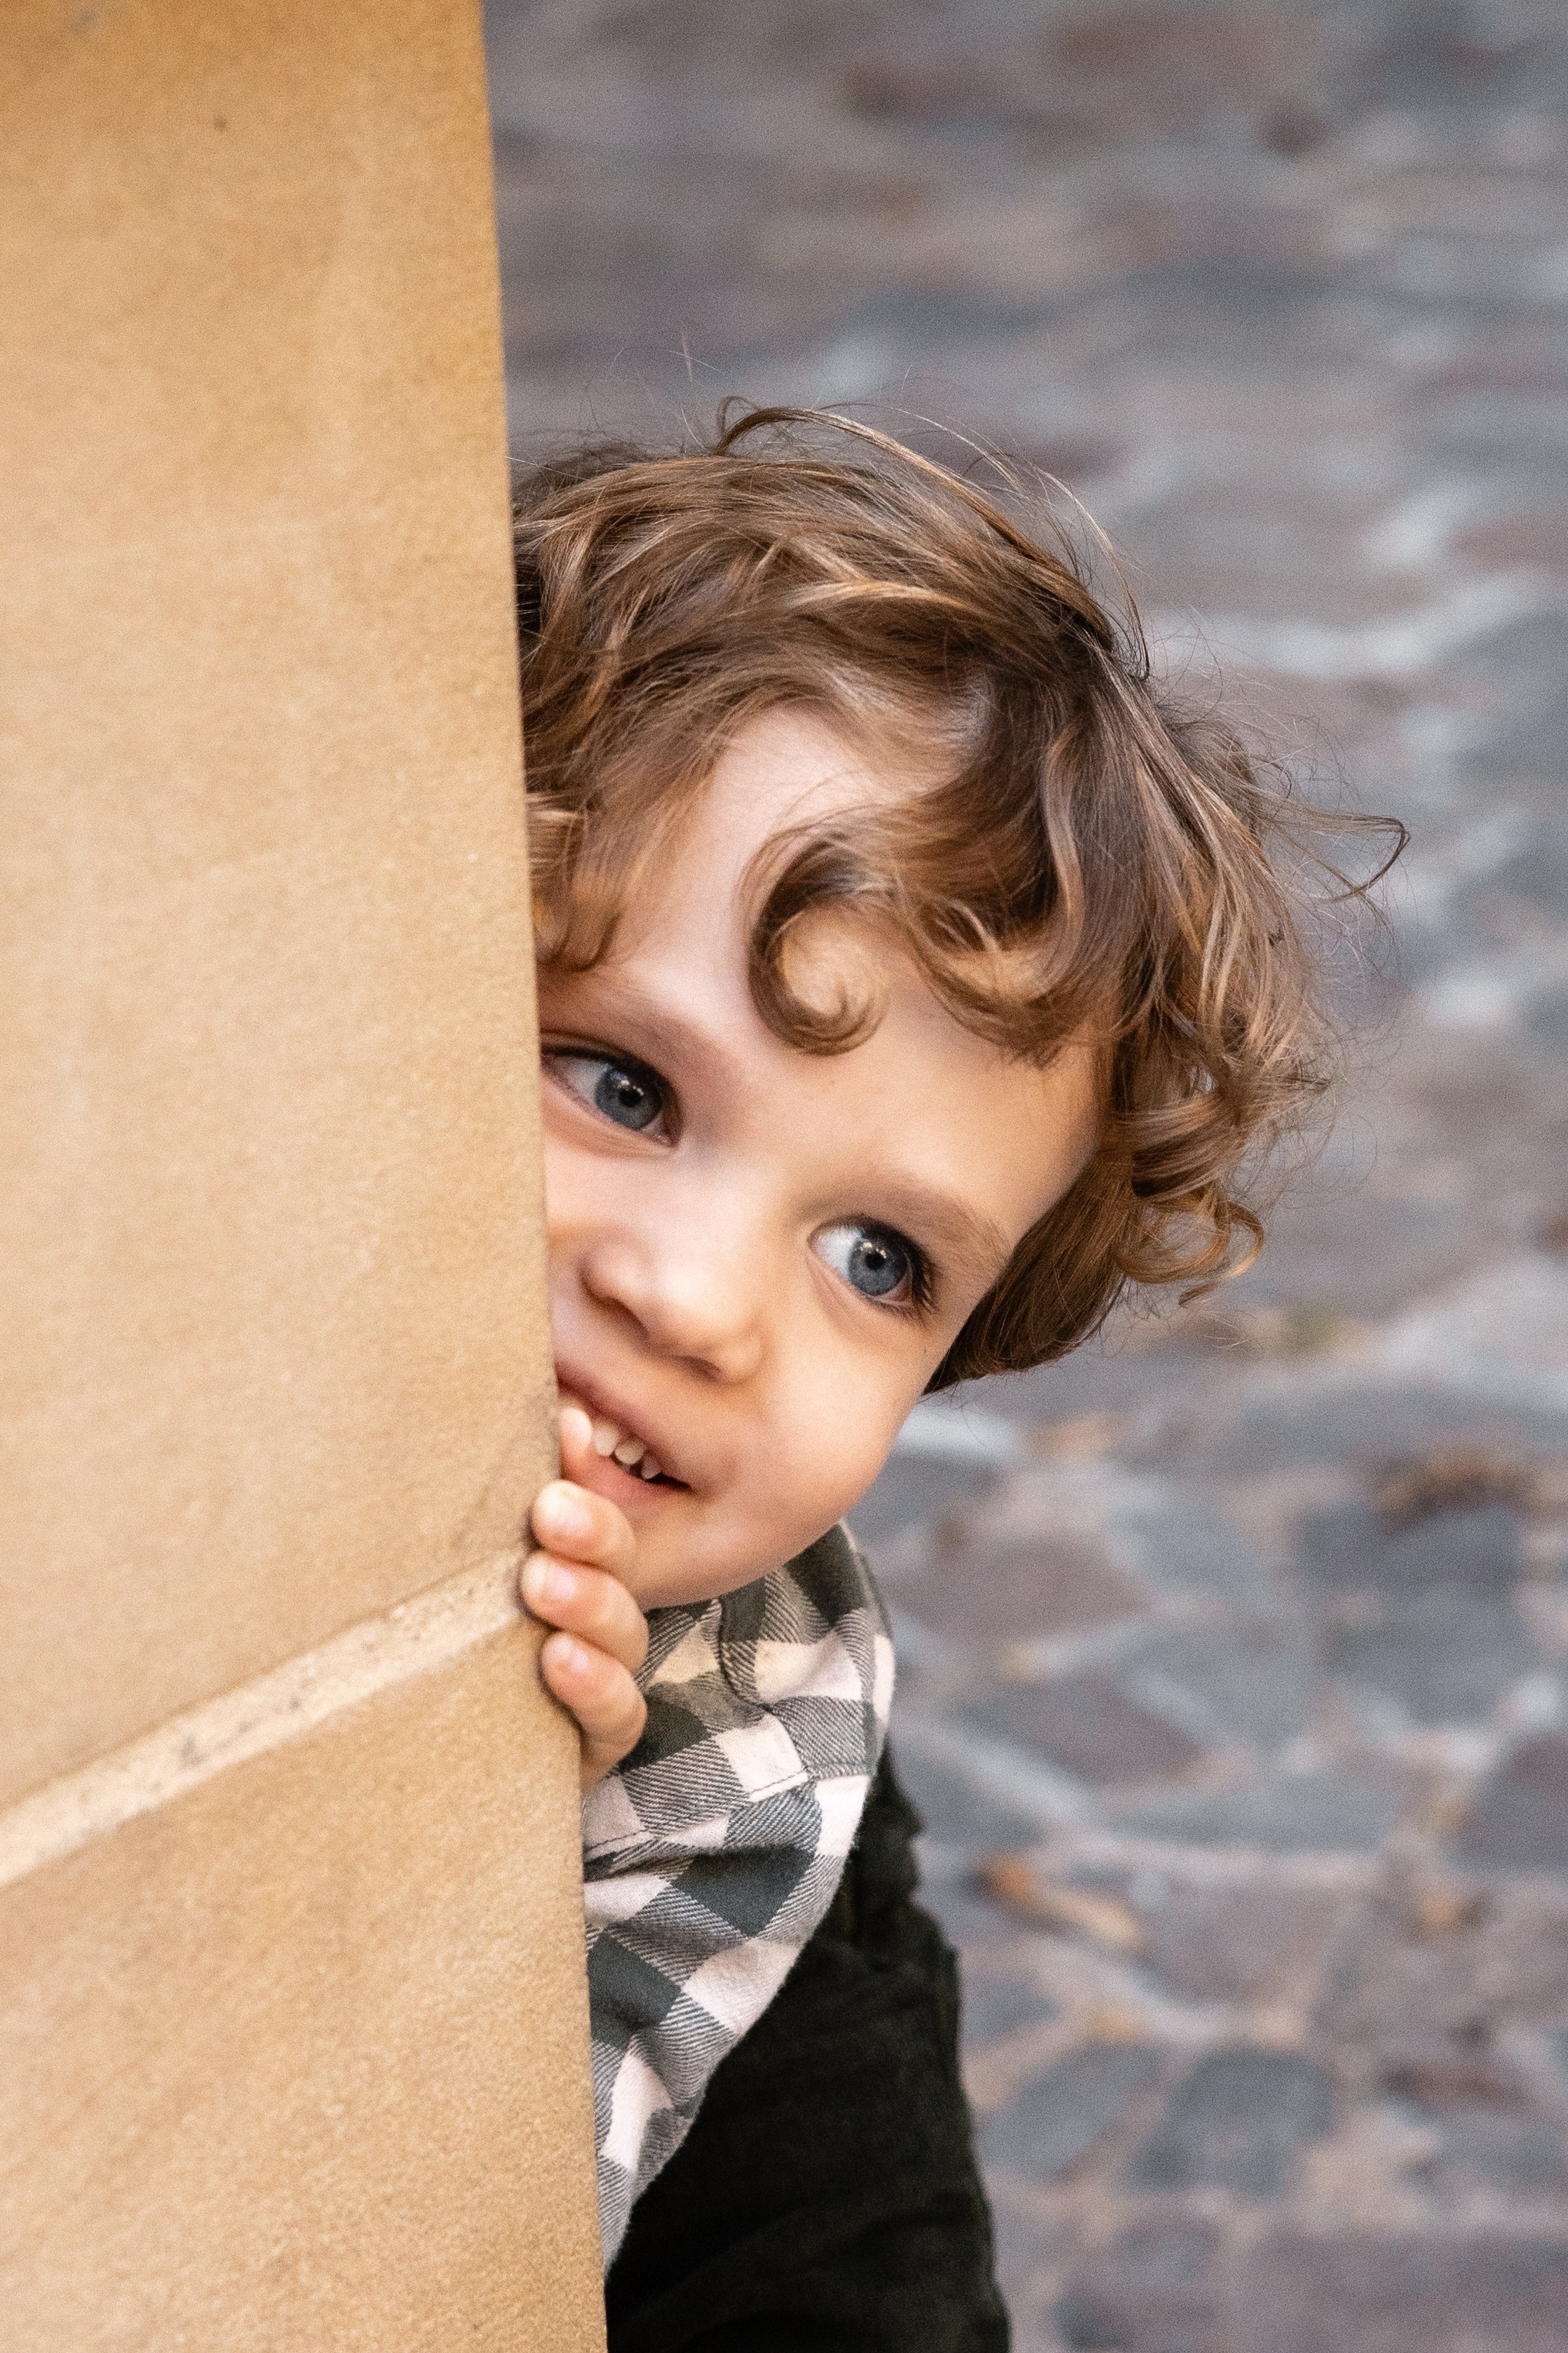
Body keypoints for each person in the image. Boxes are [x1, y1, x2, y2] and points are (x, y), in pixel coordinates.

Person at [507, 408, 1391, 2347]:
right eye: (622, 1084)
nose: (699, 1304)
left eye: (876, 1262)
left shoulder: (768, 1787)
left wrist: (524, 1854)